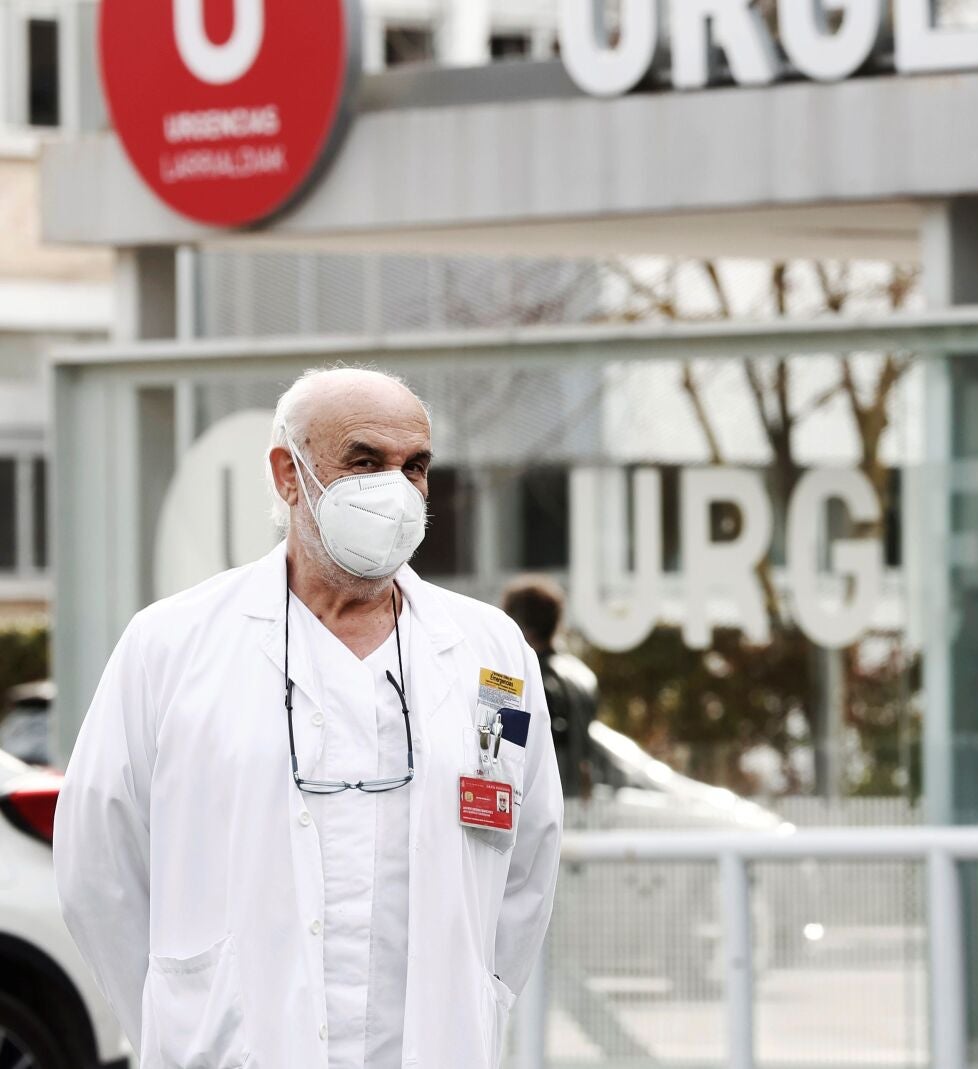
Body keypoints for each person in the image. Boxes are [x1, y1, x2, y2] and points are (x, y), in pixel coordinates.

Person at [55, 367, 563, 1069]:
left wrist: (485, 993)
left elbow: (529, 851)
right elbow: (98, 865)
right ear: (288, 473)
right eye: (364, 461)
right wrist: (180, 1015)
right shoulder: (170, 645)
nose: (396, 489)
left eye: (414, 467)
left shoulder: (492, 655)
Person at [501, 577, 596, 801]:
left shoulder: (530, 679)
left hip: (542, 799)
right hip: (578, 798)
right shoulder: (583, 675)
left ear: (520, 625)